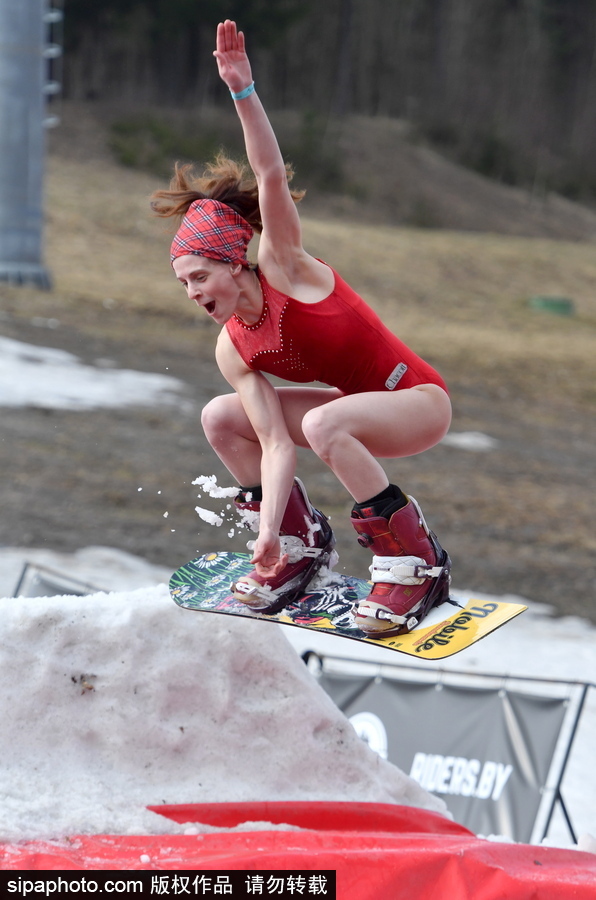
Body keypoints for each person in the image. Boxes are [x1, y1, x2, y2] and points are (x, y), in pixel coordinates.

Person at [152, 19, 452, 637]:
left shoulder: (284, 268)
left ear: (234, 262)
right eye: (184, 284)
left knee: (323, 422)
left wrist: (242, 90)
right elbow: (274, 444)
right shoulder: (233, 347)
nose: (193, 292)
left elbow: (268, 175)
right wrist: (266, 533)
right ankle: (296, 545)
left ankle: (414, 562)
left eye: (200, 276)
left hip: (416, 402)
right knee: (221, 417)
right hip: (347, 412)